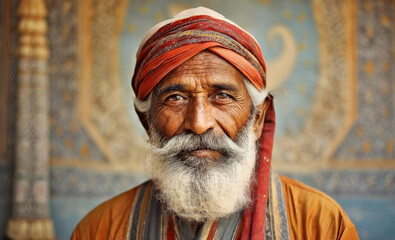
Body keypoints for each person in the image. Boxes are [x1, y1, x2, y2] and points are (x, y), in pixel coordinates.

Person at [71, 7, 359, 240]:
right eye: (175, 98)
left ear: (257, 117)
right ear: (147, 120)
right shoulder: (100, 230)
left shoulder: (322, 226)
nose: (199, 124)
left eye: (221, 96)